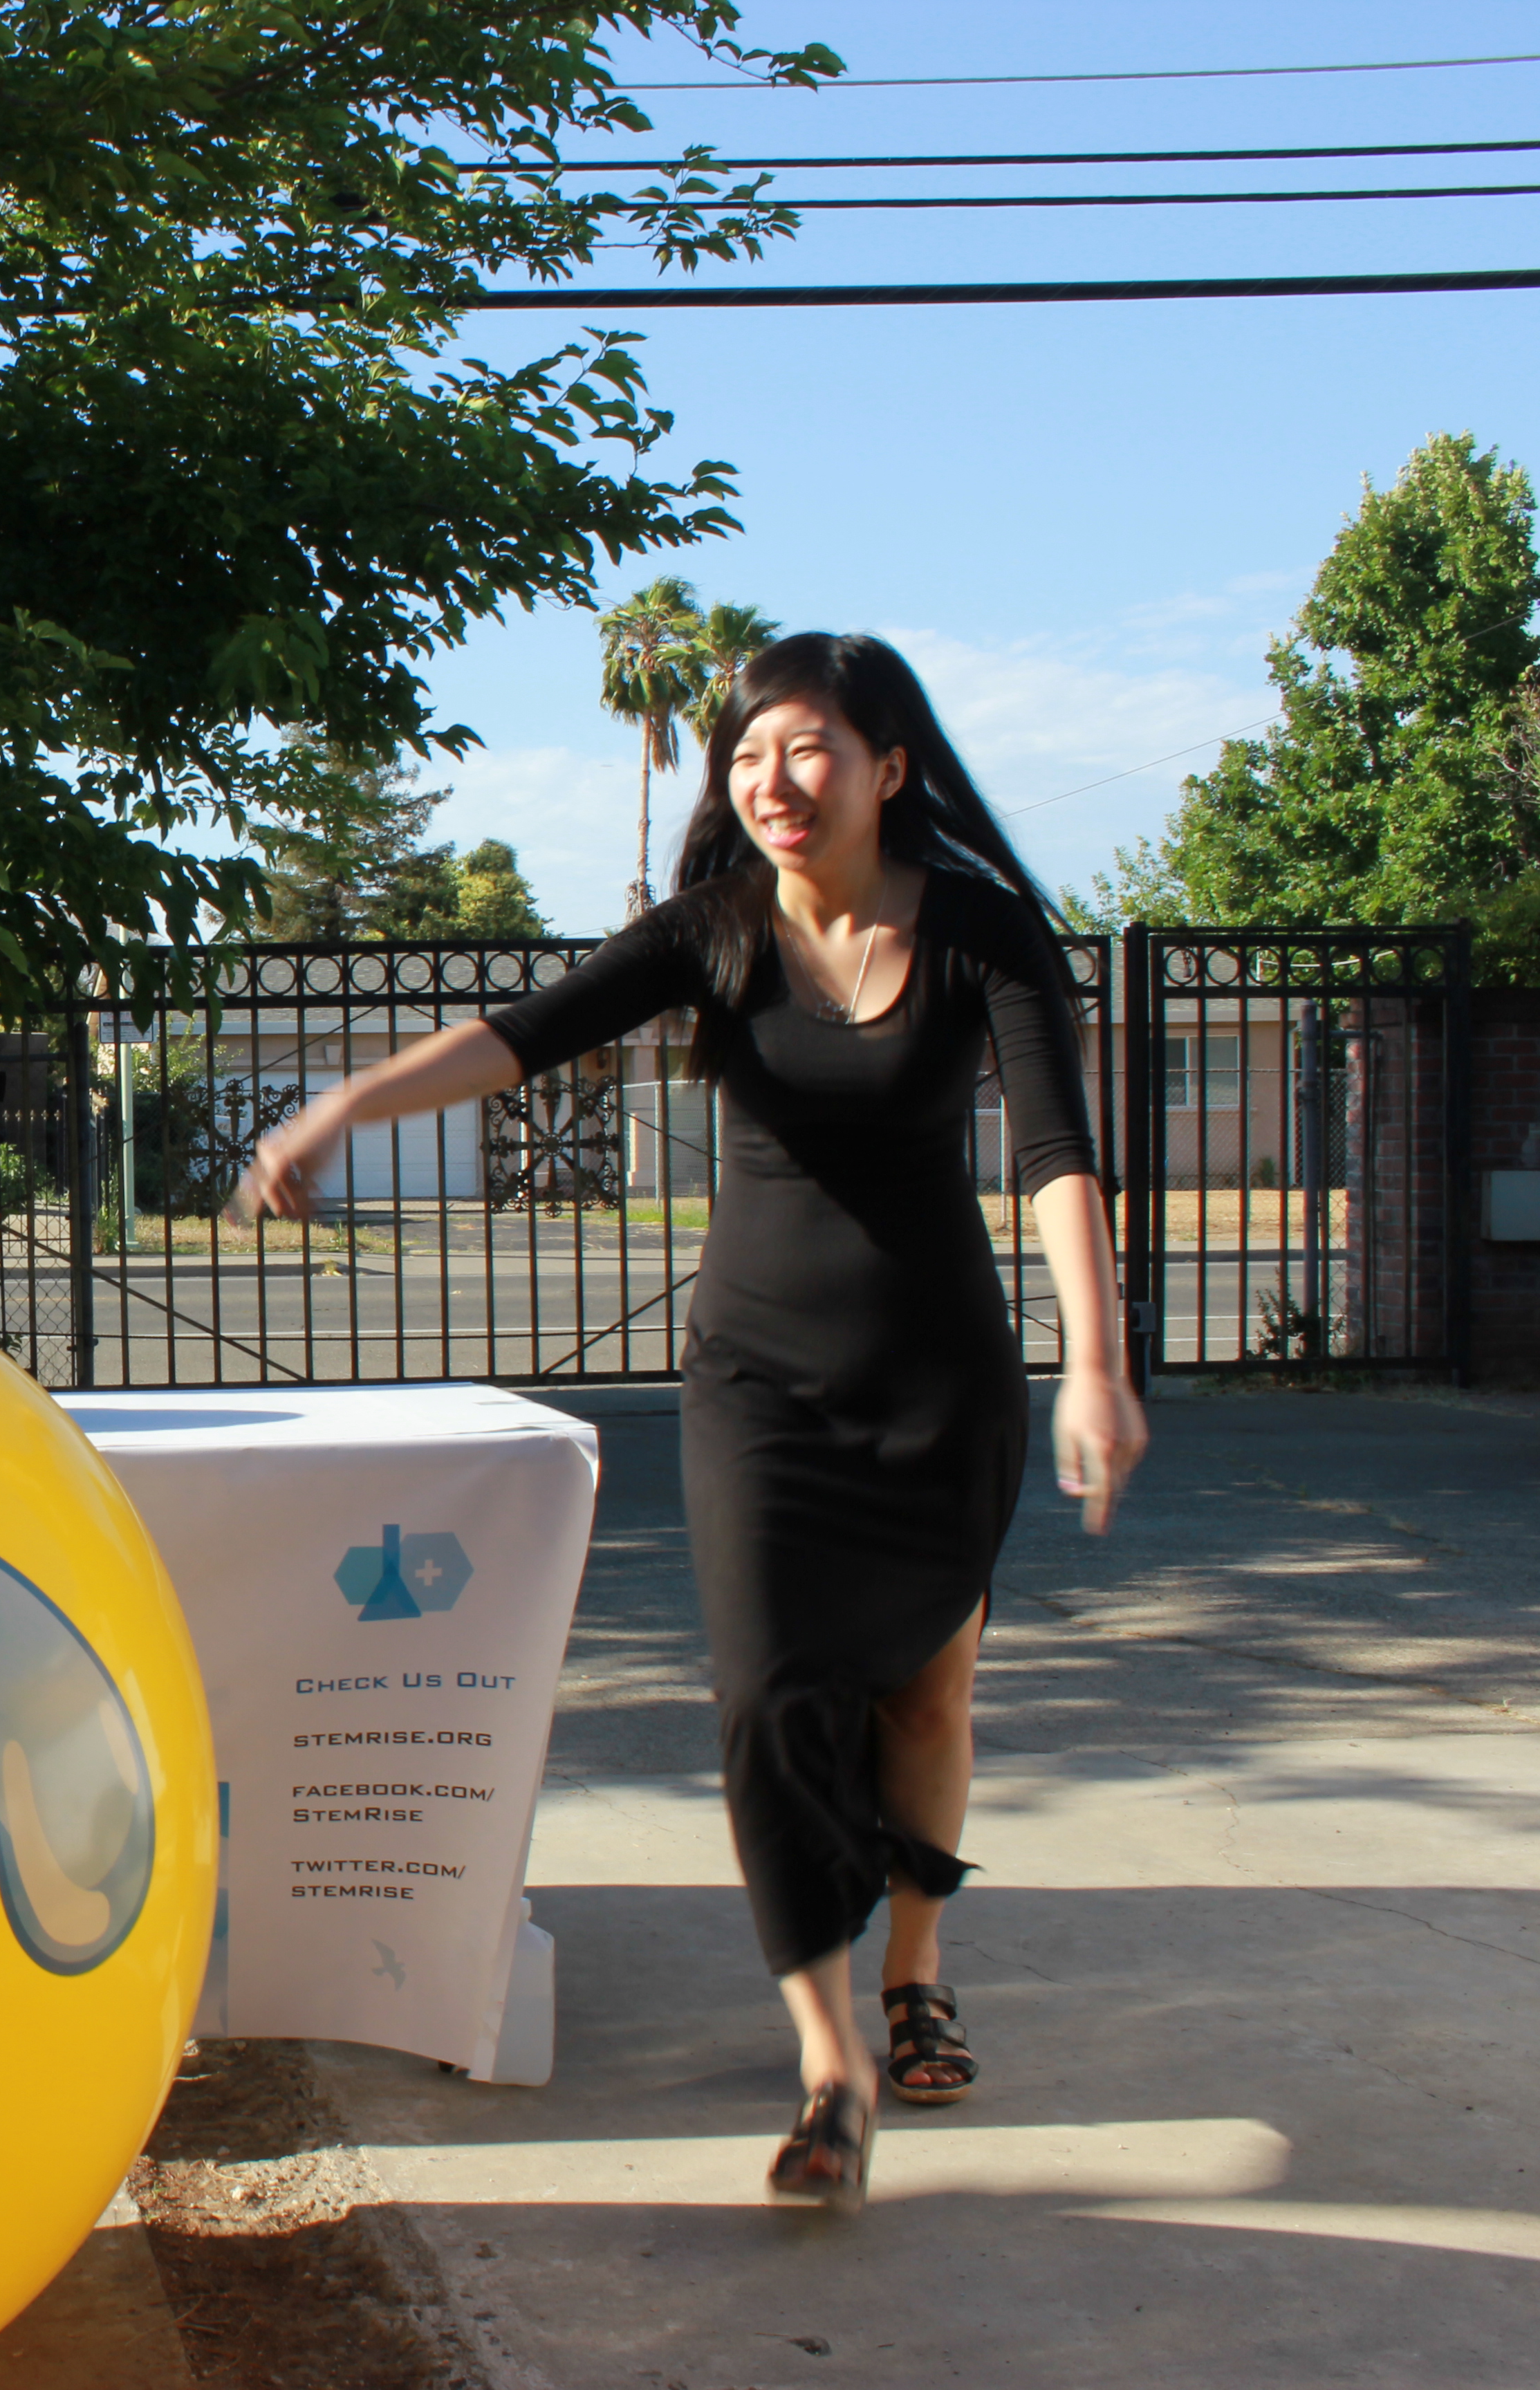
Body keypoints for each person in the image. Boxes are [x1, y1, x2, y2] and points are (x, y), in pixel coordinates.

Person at [231, 632, 1147, 2214]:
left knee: (925, 1694)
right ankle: (831, 2061)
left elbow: (1055, 1152)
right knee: (765, 1690)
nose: (770, 780)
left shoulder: (979, 932)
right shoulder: (713, 930)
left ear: (888, 768)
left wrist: (1097, 1359)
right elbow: (518, 1034)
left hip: (940, 1380)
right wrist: (340, 1105)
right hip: (756, 1383)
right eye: (745, 755)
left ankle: (915, 1967)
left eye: (806, 747)